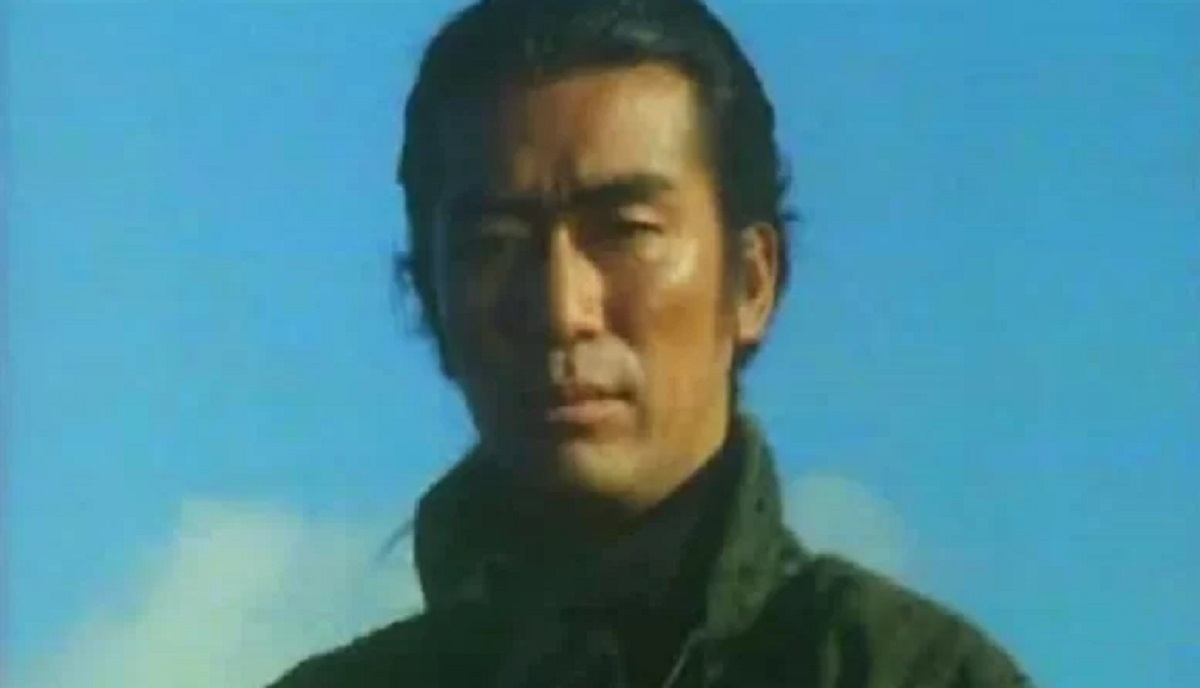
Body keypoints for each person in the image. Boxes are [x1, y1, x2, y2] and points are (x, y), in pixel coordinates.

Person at [268, 0, 1033, 685]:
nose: (563, 309)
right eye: (494, 244)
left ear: (753, 282)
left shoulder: (911, 675)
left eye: (625, 231)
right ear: (429, 298)